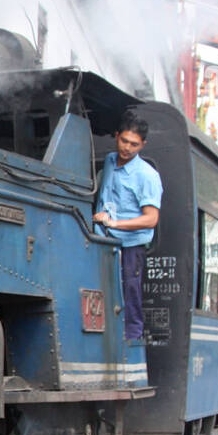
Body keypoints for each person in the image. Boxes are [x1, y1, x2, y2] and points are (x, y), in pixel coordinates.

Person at [93, 110, 162, 342]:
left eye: (134, 144)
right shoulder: (111, 161)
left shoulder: (147, 176)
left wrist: (115, 223)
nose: (127, 148)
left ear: (143, 145)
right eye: (124, 141)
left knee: (129, 295)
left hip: (131, 246)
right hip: (103, 240)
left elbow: (151, 218)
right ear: (116, 136)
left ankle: (132, 341)